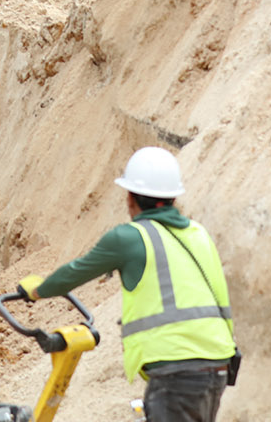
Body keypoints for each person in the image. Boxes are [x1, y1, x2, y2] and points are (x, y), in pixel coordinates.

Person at [17, 147, 237, 422]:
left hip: (177, 371)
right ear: (172, 197)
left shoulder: (130, 238)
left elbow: (75, 273)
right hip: (217, 365)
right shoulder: (199, 233)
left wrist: (38, 290)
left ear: (130, 198)